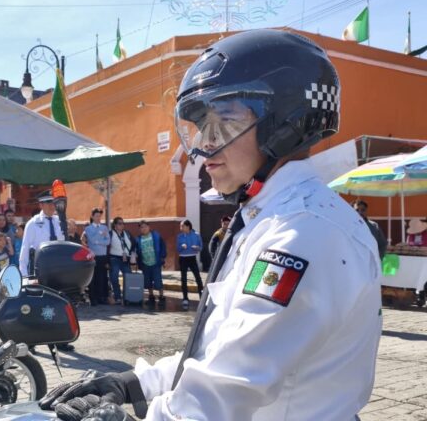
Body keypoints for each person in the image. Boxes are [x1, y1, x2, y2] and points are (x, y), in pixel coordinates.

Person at [40, 29, 382, 421]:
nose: (204, 144)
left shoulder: (303, 234)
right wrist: (134, 383)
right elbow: (215, 350)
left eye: (224, 122)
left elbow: (222, 392)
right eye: (202, 125)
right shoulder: (267, 219)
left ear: (285, 125)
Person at [19, 190, 64, 277]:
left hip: (59, 267)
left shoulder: (60, 221)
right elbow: (25, 249)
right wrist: (23, 274)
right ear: (41, 205)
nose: (52, 206)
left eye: (54, 203)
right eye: (49, 203)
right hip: (42, 268)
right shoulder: (33, 223)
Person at [82, 208, 110, 305]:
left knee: (102, 277)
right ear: (92, 217)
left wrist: (99, 240)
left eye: (99, 216)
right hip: (93, 256)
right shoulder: (88, 228)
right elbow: (92, 240)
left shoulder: (104, 227)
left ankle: (101, 297)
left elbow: (108, 241)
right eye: (96, 216)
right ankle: (93, 298)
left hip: (103, 256)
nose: (98, 218)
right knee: (93, 278)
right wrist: (101, 236)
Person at [135, 220, 167, 304]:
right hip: (145, 263)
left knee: (158, 280)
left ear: (149, 227)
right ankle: (151, 296)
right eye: (142, 227)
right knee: (148, 281)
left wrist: (163, 257)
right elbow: (136, 251)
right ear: (140, 229)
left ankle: (161, 296)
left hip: (155, 262)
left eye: (145, 226)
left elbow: (163, 246)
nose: (144, 228)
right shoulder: (138, 239)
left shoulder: (156, 235)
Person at [177, 219, 204, 311]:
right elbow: (178, 249)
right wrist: (181, 247)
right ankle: (185, 298)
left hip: (192, 258)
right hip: (183, 258)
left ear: (188, 226)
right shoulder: (179, 236)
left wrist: (197, 248)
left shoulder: (196, 235)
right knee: (183, 278)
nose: (181, 228)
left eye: (182, 226)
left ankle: (202, 296)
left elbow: (201, 247)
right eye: (180, 226)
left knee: (198, 277)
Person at [107, 217, 134, 305]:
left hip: (125, 259)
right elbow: (107, 247)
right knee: (114, 278)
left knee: (129, 277)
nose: (122, 225)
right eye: (120, 223)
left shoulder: (127, 233)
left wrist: (132, 254)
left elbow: (133, 244)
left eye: (123, 223)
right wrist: (107, 261)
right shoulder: (111, 234)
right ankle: (118, 296)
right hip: (114, 258)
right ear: (115, 225)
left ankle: (128, 297)